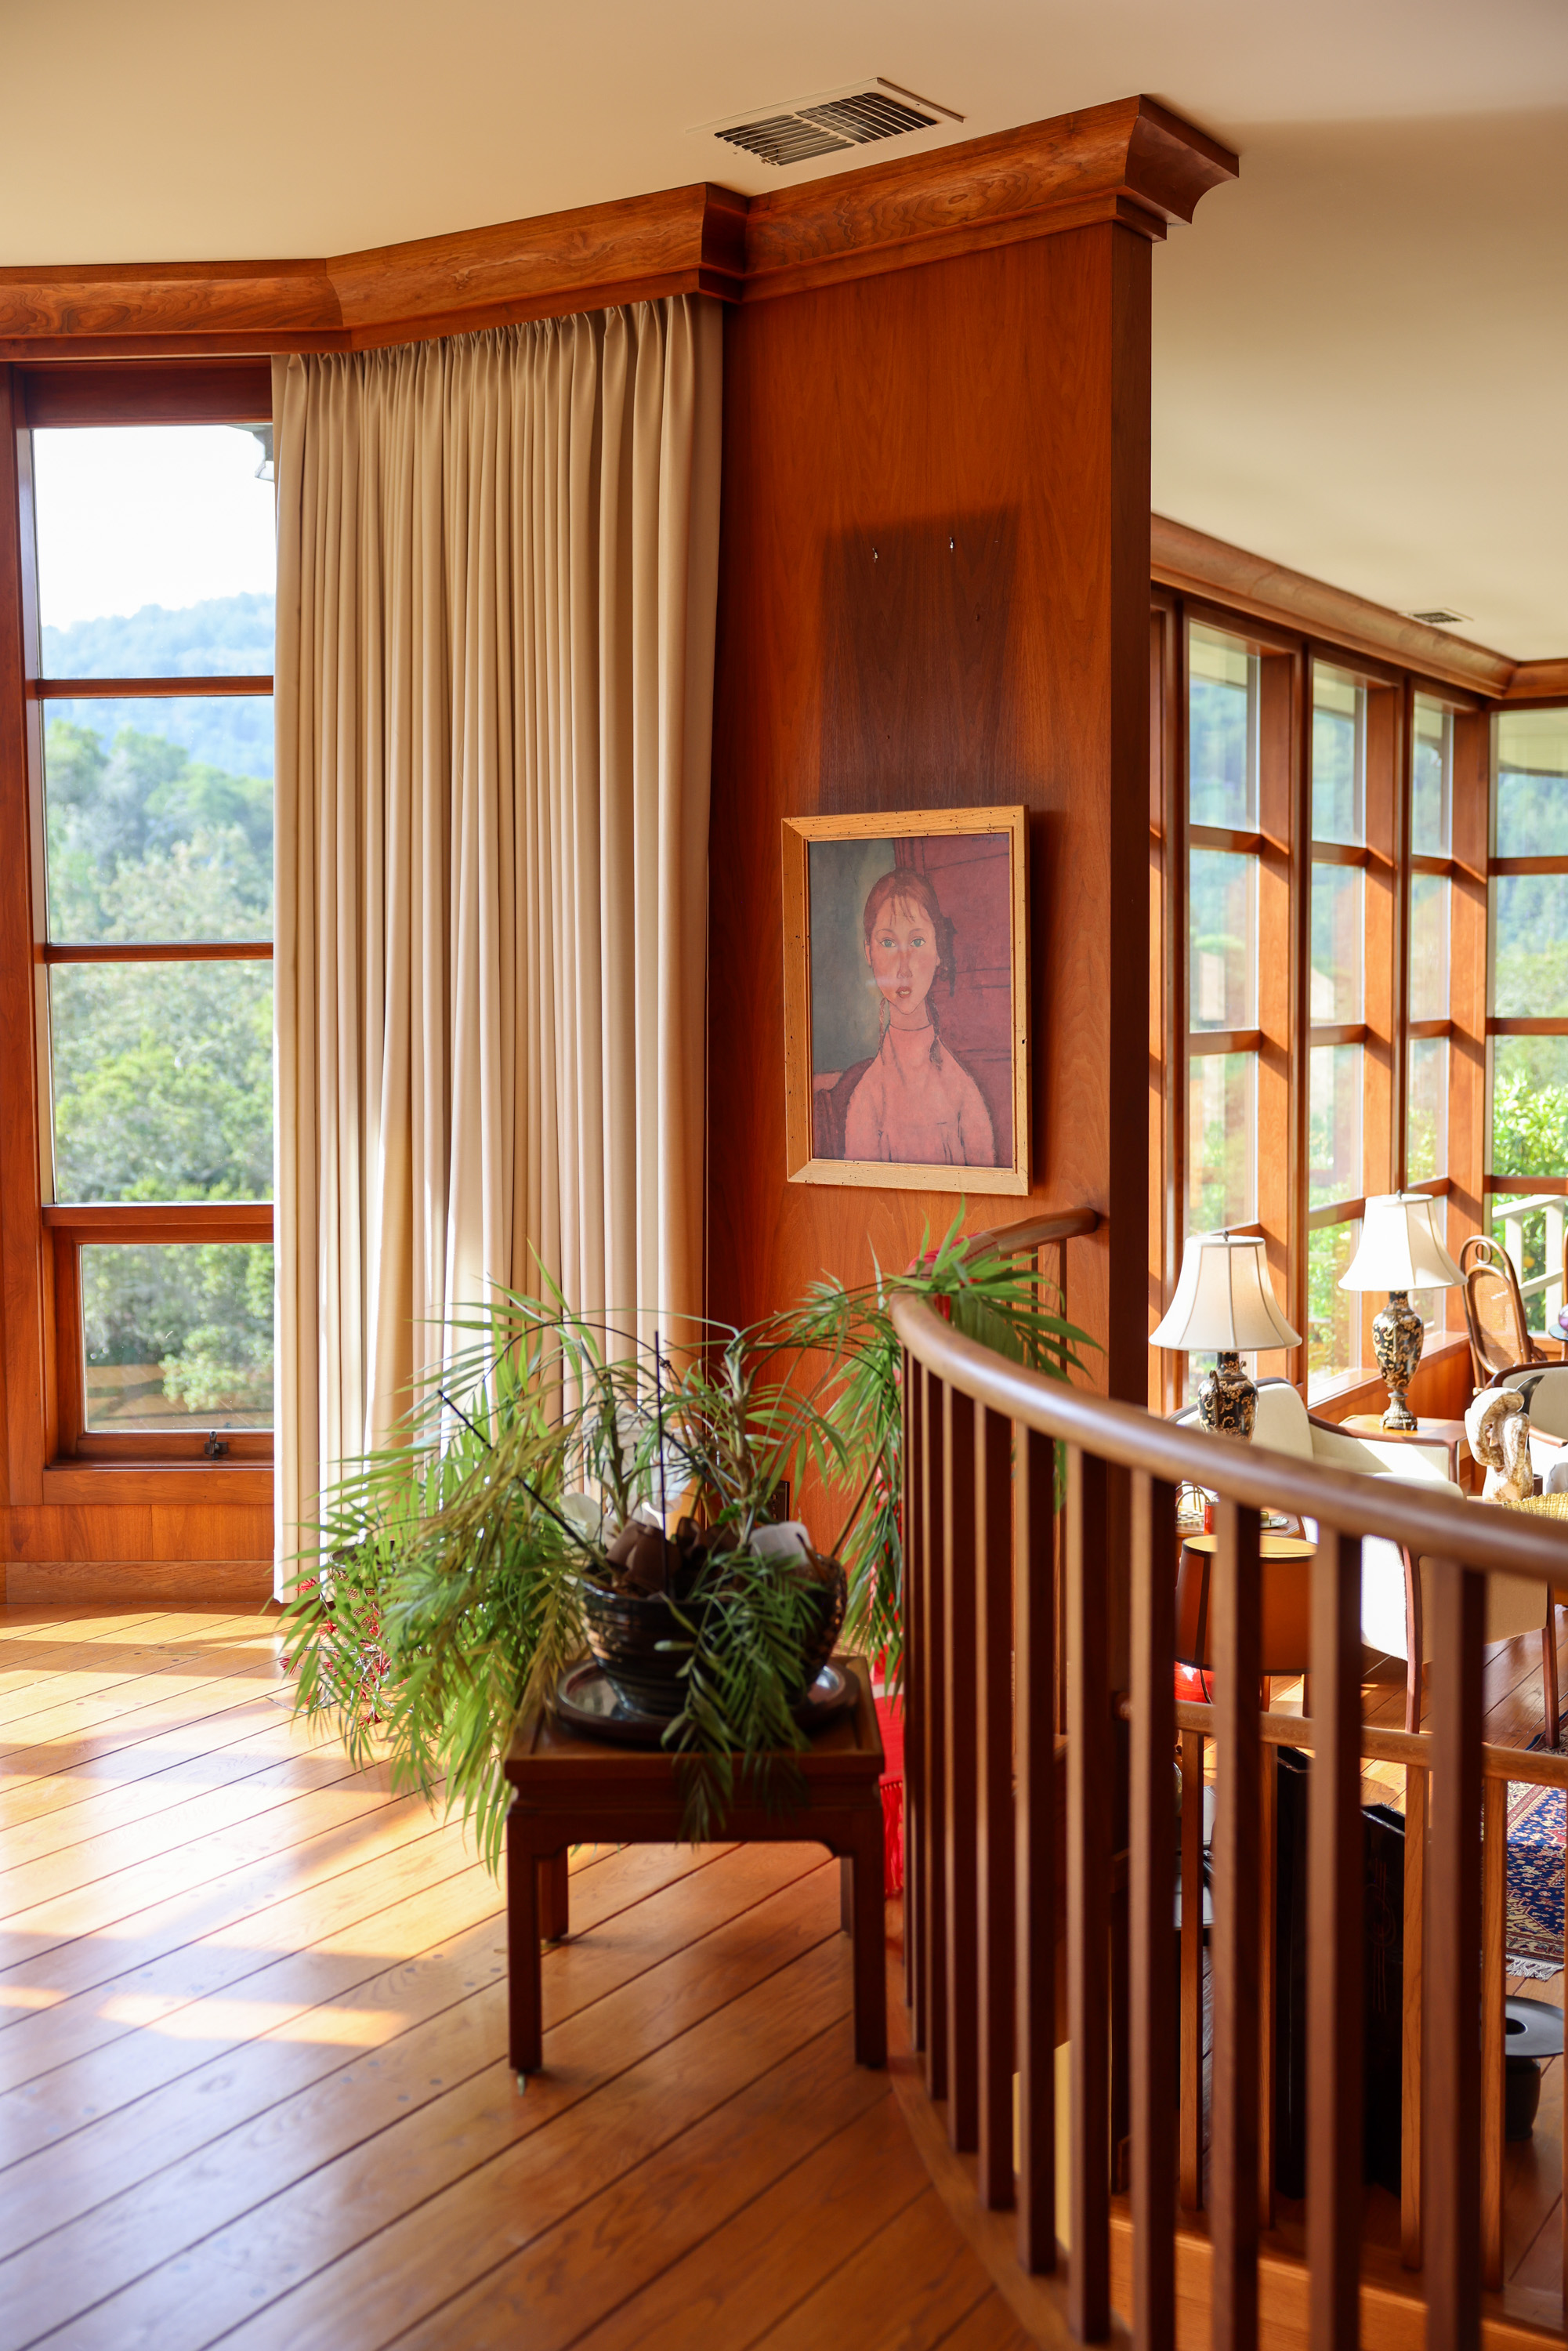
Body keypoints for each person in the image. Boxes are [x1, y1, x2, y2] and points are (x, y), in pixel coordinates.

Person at [815, 867, 996, 1166]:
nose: (904, 968)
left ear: (939, 950)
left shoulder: (963, 1092)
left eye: (917, 942)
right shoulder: (867, 1098)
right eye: (888, 943)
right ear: (869, 952)